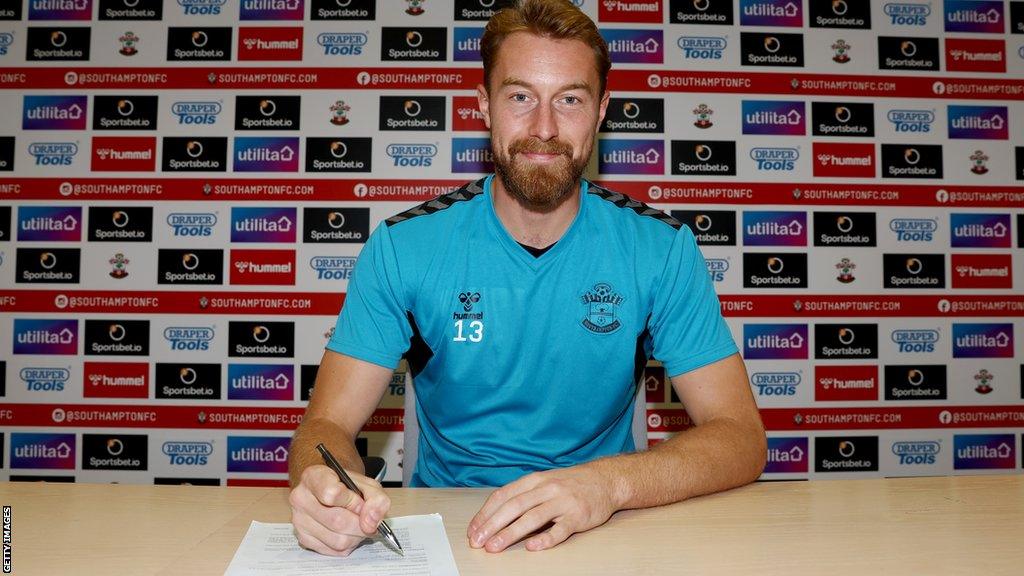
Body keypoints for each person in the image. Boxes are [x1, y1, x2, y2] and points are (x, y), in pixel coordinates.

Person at [287, 0, 766, 556]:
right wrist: (329, 492)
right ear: (484, 107)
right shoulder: (404, 247)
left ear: (602, 110)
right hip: (450, 531)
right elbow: (324, 427)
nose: (544, 128)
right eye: (520, 97)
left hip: (606, 524)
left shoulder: (659, 249)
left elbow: (741, 436)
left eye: (569, 99)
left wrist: (608, 484)